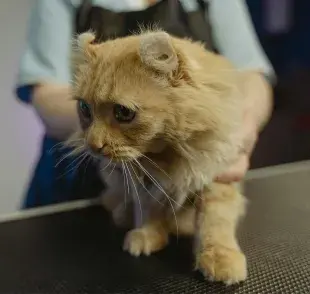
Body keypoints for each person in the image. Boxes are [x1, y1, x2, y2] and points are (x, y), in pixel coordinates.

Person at [16, 0, 274, 208]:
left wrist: (239, 131)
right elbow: (46, 95)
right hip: (78, 189)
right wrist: (117, 132)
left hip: (193, 179)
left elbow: (252, 75)